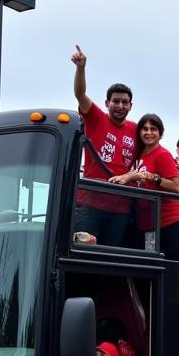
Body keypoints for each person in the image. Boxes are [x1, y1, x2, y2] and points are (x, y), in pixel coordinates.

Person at [71, 45, 138, 247]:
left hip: (120, 209)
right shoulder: (97, 119)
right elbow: (80, 94)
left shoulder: (137, 129)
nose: (120, 106)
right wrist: (81, 68)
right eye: (115, 101)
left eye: (124, 102)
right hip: (89, 204)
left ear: (130, 106)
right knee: (84, 255)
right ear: (107, 103)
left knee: (111, 259)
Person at [111, 113, 179, 261]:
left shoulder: (162, 154)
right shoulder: (139, 154)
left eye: (153, 129)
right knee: (149, 268)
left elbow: (176, 186)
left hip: (169, 221)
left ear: (160, 133)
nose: (149, 133)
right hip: (147, 223)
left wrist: (148, 176)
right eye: (145, 129)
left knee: (175, 269)